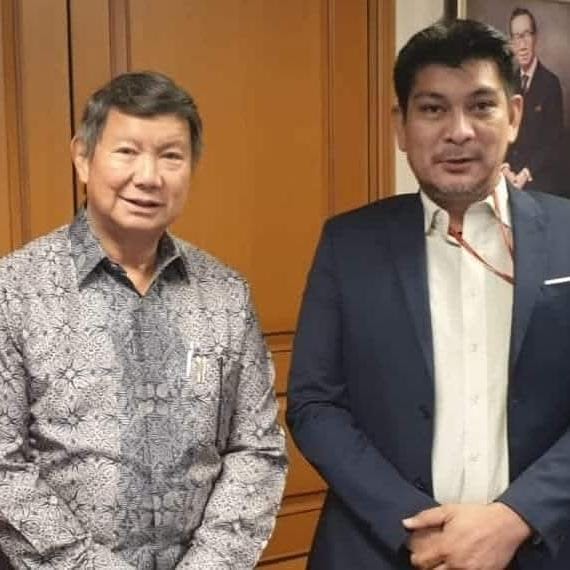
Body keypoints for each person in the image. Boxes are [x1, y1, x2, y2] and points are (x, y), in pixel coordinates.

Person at [287, 18, 570, 570]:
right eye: (434, 109)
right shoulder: (348, 243)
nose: (458, 131)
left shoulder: (567, 234)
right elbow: (315, 403)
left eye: (481, 106)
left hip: (541, 547)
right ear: (401, 125)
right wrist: (414, 525)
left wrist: (518, 515)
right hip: (381, 549)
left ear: (514, 116)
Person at [0, 71, 287, 569]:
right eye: (127, 151)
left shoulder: (226, 294)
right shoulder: (14, 289)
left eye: (171, 156)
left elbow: (256, 449)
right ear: (83, 157)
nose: (149, 177)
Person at [503, 7, 565, 196]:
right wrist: (505, 169)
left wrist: (524, 174)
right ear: (511, 42)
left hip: (538, 181)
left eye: (526, 35)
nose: (521, 45)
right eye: (516, 37)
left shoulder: (550, 83)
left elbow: (553, 142)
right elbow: (502, 131)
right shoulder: (508, 82)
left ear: (535, 37)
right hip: (508, 178)